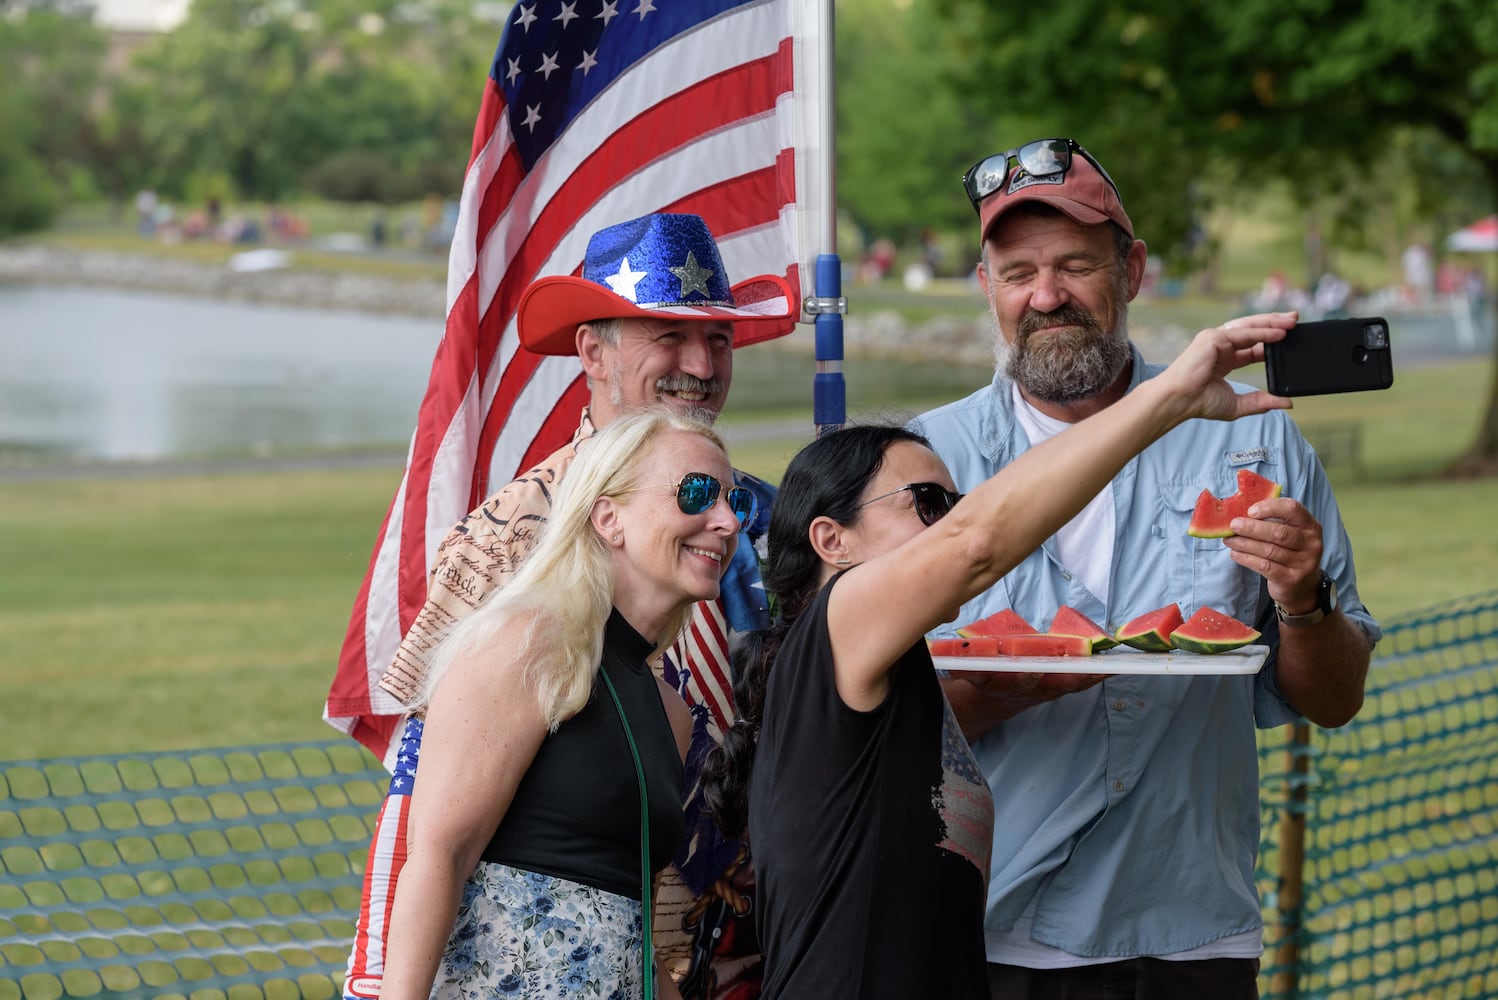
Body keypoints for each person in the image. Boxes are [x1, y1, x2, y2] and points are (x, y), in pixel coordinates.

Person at [700, 315, 1302, 998]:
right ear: (832, 540)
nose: (949, 523)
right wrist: (1170, 398)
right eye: (927, 503)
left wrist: (1005, 695)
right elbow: (979, 543)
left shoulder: (892, 683)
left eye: (954, 504)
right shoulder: (835, 626)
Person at [912, 137, 1379, 998]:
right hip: (987, 926)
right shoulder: (925, 459)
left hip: (1191, 928)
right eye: (1017, 273)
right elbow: (865, 715)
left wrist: (1304, 600)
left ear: (1132, 270)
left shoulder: (1255, 435)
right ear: (986, 287)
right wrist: (998, 687)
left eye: (1074, 265)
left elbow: (1336, 697)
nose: (1046, 296)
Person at [339, 212, 795, 1000]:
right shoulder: (507, 538)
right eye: (666, 334)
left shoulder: (755, 521)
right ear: (593, 350)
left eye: (718, 340)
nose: (699, 364)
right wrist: (382, 984)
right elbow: (423, 797)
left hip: (728, 953)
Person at [378, 408, 751, 999]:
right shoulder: (525, 640)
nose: (728, 521)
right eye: (697, 493)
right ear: (609, 517)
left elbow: (630, 932)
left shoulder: (672, 713)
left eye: (738, 502)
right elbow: (438, 855)